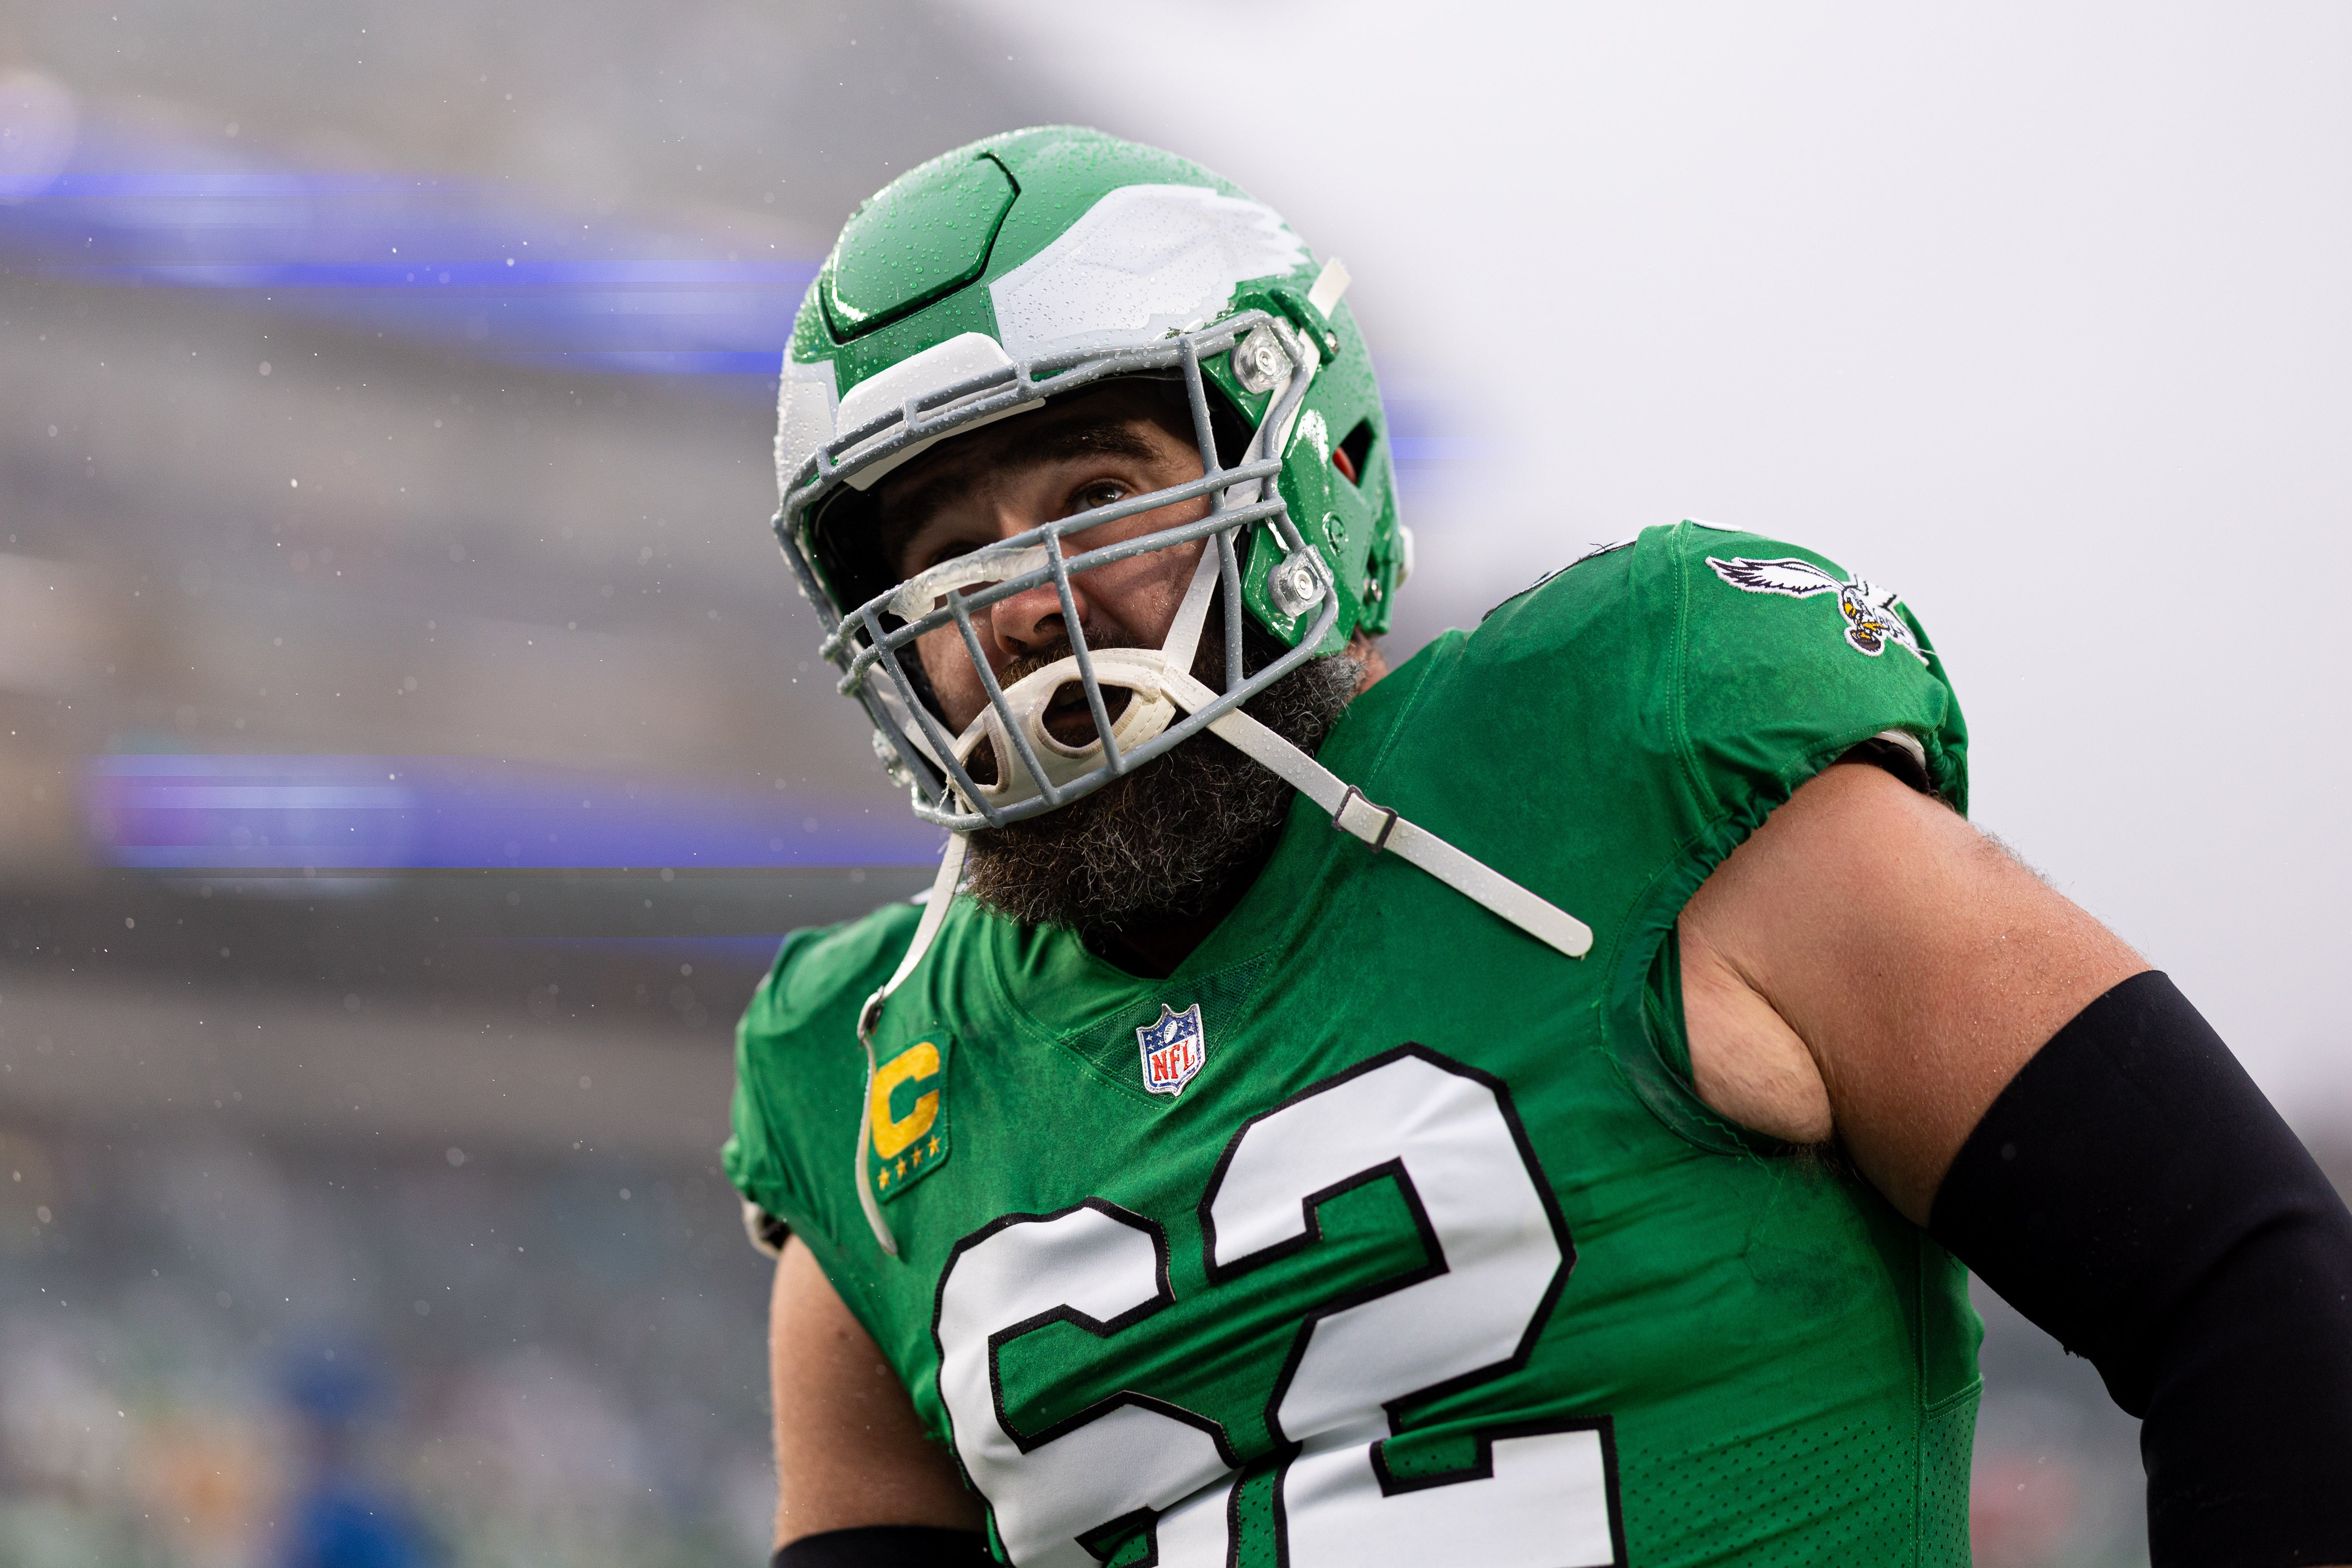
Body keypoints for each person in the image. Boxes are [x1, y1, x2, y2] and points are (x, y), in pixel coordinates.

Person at [723, 126, 2352, 1568]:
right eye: (944, 559)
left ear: (1311, 472)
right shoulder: (873, 1068)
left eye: (1103, 490)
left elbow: (2251, 1287)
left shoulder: (1629, 765)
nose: (1022, 605)